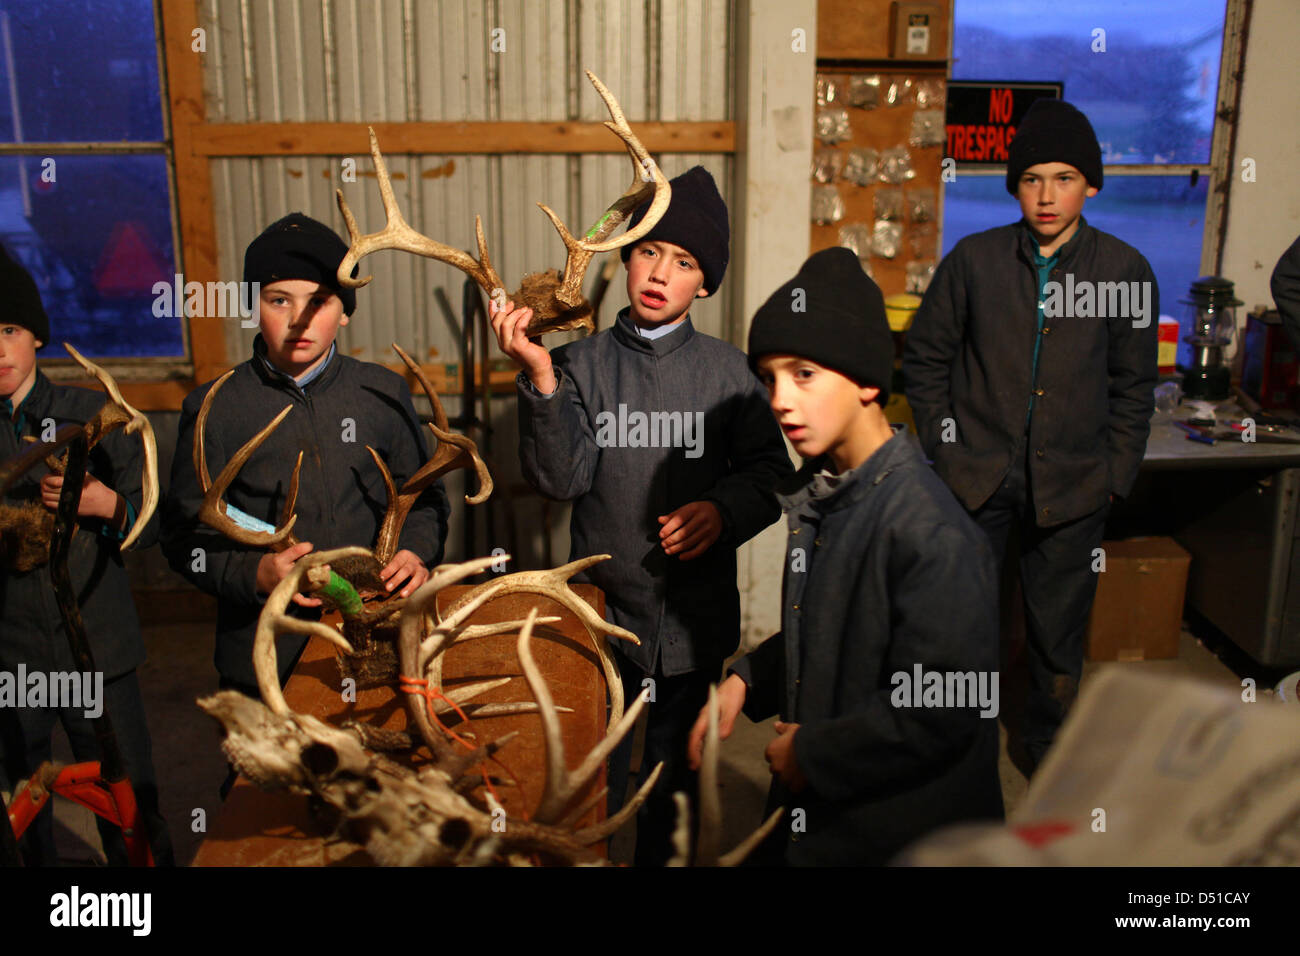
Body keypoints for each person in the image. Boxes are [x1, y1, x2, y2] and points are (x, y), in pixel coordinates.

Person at [491, 167, 793, 865]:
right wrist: (541, 378)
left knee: (673, 786)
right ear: (626, 258)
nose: (661, 272)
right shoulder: (581, 365)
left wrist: (723, 510)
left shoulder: (731, 375)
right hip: (598, 622)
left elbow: (773, 474)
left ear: (705, 284)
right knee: (587, 778)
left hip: (692, 627)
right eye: (649, 251)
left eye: (684, 262)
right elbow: (561, 479)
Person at [688, 247, 1004, 865]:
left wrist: (814, 754)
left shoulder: (928, 531)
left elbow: (946, 706)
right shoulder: (831, 493)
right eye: (770, 377)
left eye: (803, 373)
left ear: (866, 380)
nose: (779, 400)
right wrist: (745, 681)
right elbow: (834, 627)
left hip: (905, 832)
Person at [902, 98, 1159, 769]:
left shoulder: (1123, 271)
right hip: (976, 478)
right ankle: (960, 749)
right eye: (1032, 178)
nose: (1047, 195)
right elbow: (924, 357)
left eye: (1065, 178)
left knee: (1056, 632)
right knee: (965, 626)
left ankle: (1046, 751)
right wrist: (945, 444)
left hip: (1074, 485)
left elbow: (1135, 386)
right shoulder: (976, 261)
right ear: (1014, 185)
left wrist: (1113, 475)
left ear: (1091, 185)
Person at [161, 213, 450, 702]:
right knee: (267, 777)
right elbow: (184, 538)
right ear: (254, 308)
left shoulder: (382, 393)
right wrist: (253, 575)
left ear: (345, 311)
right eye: (279, 300)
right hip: (266, 653)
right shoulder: (214, 407)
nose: (300, 319)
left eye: (319, 301)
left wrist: (416, 553)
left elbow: (426, 499)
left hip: (376, 638)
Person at [0, 244, 174, 865]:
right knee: (20, 805)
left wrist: (108, 506)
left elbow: (156, 522)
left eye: (9, 330)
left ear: (36, 337)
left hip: (97, 647)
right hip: (10, 655)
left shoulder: (92, 415)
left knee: (128, 796)